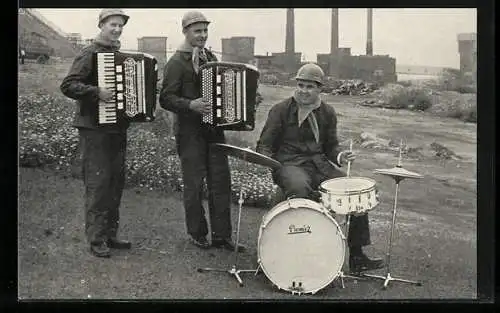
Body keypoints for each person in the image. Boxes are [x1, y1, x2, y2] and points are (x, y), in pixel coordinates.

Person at [256, 63, 384, 273]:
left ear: (319, 89)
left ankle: (358, 256)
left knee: (356, 193)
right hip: (289, 165)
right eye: (300, 85)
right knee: (299, 189)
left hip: (319, 166)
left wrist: (341, 155)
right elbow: (265, 144)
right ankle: (294, 254)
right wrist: (267, 161)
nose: (303, 91)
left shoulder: (327, 112)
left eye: (309, 87)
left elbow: (331, 146)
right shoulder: (280, 110)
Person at [160, 11, 257, 252]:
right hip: (189, 132)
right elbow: (165, 98)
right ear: (185, 32)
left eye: (205, 30)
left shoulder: (210, 57)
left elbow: (225, 89)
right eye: (197, 31)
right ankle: (197, 233)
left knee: (220, 182)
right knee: (194, 184)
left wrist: (247, 99)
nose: (202, 35)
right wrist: (190, 105)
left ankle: (222, 236)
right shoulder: (176, 62)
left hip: (214, 132)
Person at [60, 9, 132, 258]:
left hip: (116, 128)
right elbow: (68, 85)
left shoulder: (118, 54)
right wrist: (96, 92)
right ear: (101, 24)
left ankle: (110, 234)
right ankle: (96, 238)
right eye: (113, 25)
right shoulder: (89, 53)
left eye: (120, 26)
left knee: (115, 182)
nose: (117, 29)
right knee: (98, 183)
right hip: (94, 129)